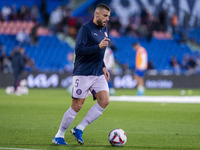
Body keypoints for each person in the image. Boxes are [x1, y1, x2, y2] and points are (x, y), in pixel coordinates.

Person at [52, 4, 111, 145]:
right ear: (96, 14)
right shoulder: (85, 29)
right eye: (105, 16)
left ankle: (79, 128)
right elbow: (79, 50)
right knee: (77, 106)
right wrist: (98, 46)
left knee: (104, 100)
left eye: (108, 16)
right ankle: (58, 136)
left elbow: (100, 53)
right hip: (83, 73)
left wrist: (103, 66)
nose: (107, 19)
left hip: (97, 72)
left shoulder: (104, 30)